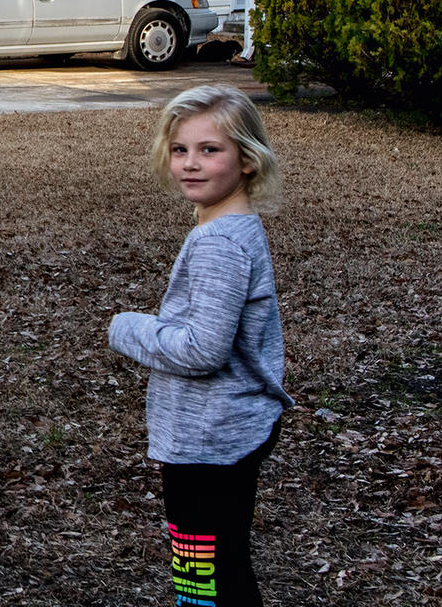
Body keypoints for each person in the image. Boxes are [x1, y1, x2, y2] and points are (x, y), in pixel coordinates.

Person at [108, 84, 291, 607]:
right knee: (223, 561)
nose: (190, 163)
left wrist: (127, 326)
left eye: (210, 150)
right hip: (233, 426)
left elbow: (201, 350)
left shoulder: (219, 243)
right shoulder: (236, 225)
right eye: (180, 149)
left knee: (203, 576)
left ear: (249, 160)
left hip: (210, 438)